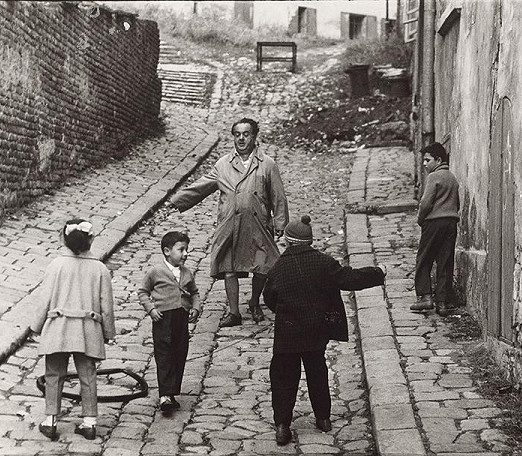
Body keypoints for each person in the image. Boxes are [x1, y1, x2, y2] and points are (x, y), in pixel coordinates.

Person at [263, 215, 386, 446]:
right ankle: (323, 418)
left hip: (288, 334)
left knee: (283, 378)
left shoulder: (278, 268)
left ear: (288, 242)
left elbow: (269, 298)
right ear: (310, 241)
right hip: (316, 331)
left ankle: (282, 425)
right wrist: (378, 272)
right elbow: (351, 278)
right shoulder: (324, 263)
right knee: (317, 373)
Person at [168, 117, 289, 328]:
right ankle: (234, 312)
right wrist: (177, 200)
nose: (241, 139)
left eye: (246, 134)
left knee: (262, 266)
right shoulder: (223, 164)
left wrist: (280, 222)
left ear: (254, 136)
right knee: (229, 268)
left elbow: (278, 195)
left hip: (258, 224)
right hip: (230, 225)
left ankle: (254, 301)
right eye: (237, 134)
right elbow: (202, 185)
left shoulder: (267, 164)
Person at [31, 219, 116, 441]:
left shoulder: (56, 265)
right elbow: (106, 305)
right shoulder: (100, 269)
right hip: (87, 329)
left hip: (58, 326)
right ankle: (89, 423)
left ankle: (50, 420)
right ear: (91, 240)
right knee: (88, 374)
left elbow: (44, 299)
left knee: (53, 373)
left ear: (63, 239)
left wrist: (36, 326)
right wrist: (108, 332)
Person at [137, 231, 201, 413]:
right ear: (167, 251)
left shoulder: (186, 273)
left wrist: (195, 308)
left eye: (187, 249)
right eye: (181, 250)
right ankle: (165, 395)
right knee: (164, 354)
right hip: (163, 319)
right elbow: (142, 292)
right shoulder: (155, 272)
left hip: (181, 318)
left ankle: (172, 392)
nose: (185, 254)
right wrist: (151, 309)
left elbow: (194, 293)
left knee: (179, 353)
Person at [410, 142, 460, 316]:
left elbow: (425, 203)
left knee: (424, 258)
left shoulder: (433, 177)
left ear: (438, 160)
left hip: (434, 223)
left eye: (427, 160)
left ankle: (425, 297)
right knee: (445, 262)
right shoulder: (452, 178)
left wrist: (420, 220)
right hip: (451, 223)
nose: (424, 164)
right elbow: (457, 203)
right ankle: (442, 303)